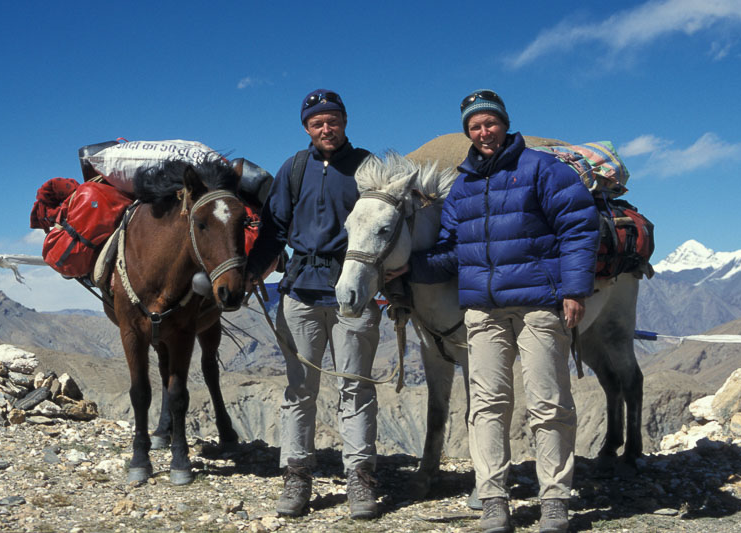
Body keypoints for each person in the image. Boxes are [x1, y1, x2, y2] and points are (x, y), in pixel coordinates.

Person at [389, 90, 599, 533]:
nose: (484, 132)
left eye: (490, 123)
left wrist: (575, 289)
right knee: (486, 406)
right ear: (468, 132)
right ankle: (493, 500)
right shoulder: (462, 185)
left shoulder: (542, 169)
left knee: (548, 402)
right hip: (482, 311)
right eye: (475, 126)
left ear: (504, 123)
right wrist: (409, 270)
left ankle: (555, 498)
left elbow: (578, 227)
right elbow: (452, 253)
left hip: (538, 304)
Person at [245, 89, 381, 520]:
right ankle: (297, 475)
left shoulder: (367, 167)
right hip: (300, 293)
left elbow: (388, 223)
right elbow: (274, 229)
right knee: (299, 390)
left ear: (345, 121)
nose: (326, 127)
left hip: (353, 295)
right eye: (317, 122)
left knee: (355, 387)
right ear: (307, 127)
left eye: (333, 119)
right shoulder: (294, 168)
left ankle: (360, 478)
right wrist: (253, 271)